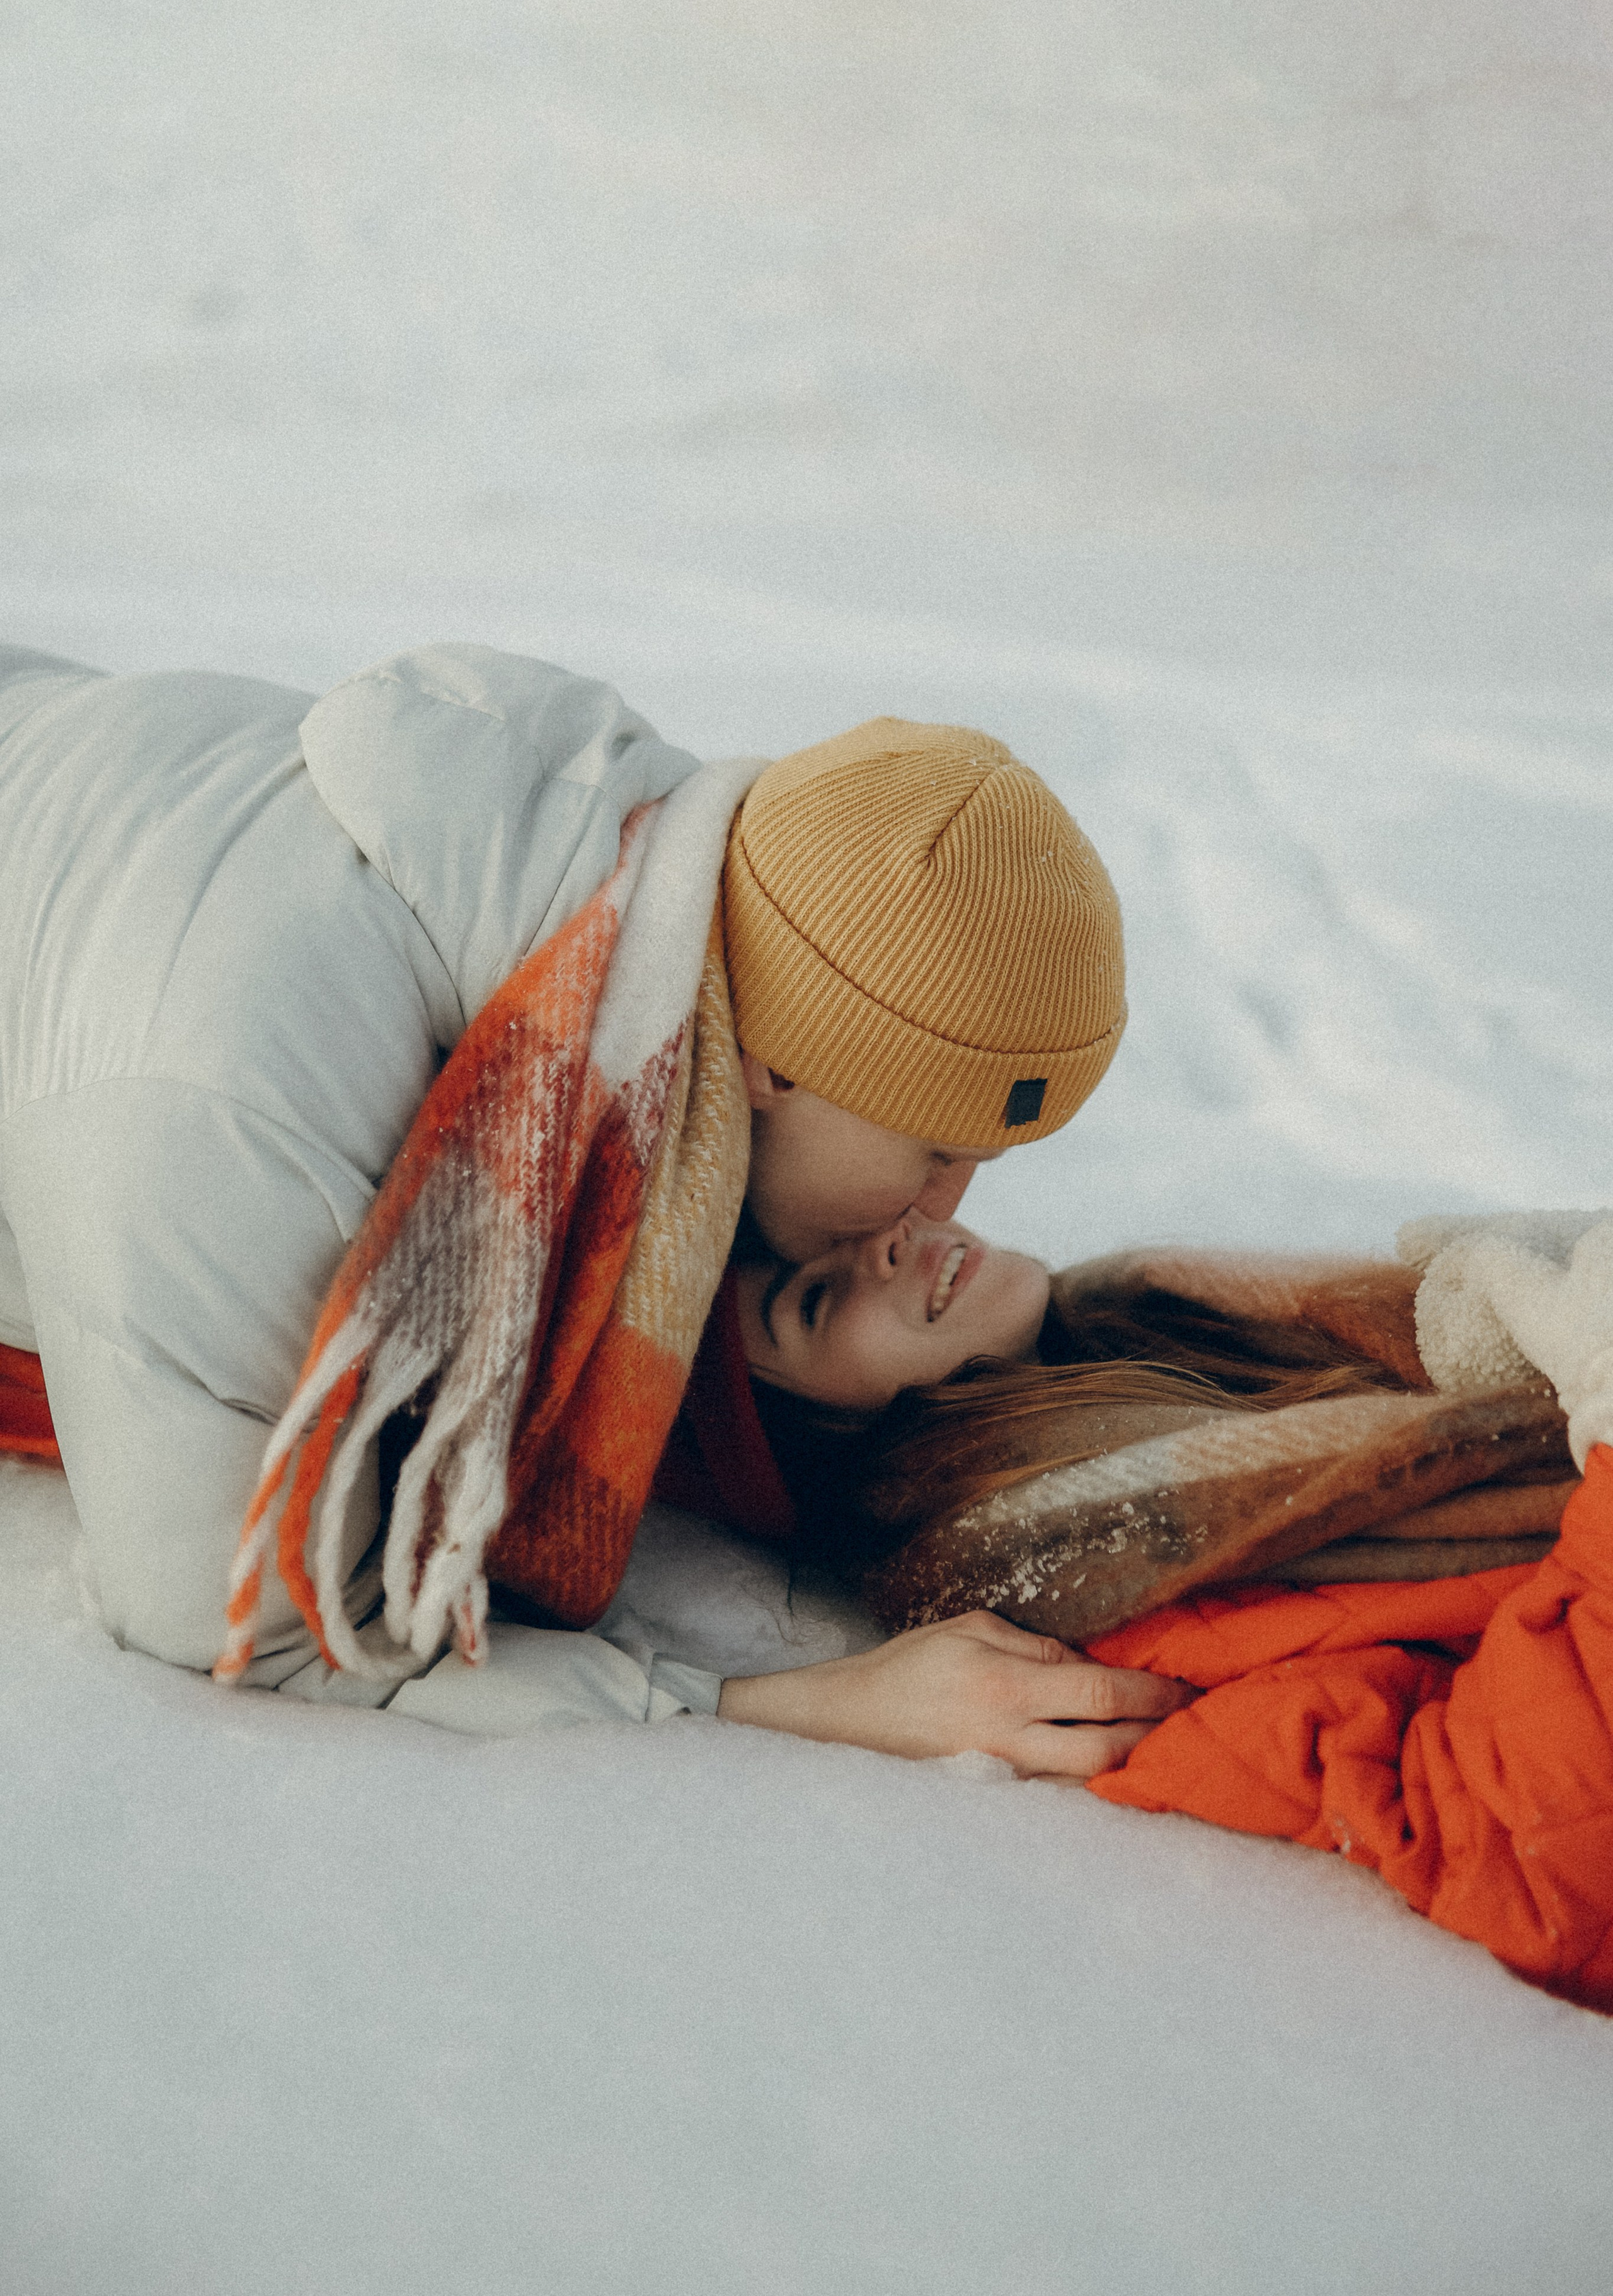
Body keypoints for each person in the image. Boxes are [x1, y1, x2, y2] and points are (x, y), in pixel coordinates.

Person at [0, 635, 1156, 1752]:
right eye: (934, 1150)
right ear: (777, 1063)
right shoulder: (245, 1121)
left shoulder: (604, 857)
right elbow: (255, 1630)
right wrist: (808, 1705)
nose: (944, 1208)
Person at [715, 1204, 1613, 2013]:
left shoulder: (1181, 1325)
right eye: (816, 1302)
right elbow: (1524, 1850)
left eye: (851, 1224)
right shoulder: (1086, 1587)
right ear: (812, 1446)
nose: (887, 1237)